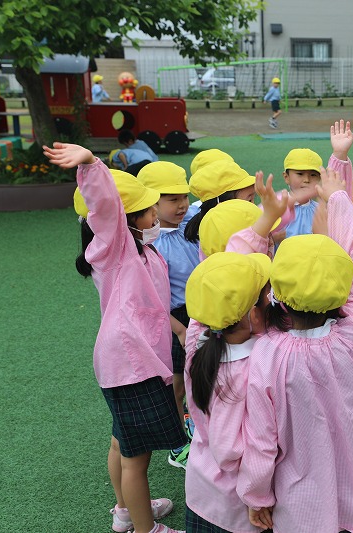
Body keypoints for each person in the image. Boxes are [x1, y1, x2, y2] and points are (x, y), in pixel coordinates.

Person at [45, 142, 184, 533]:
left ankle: (127, 511)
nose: (156, 211)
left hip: (130, 362)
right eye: (149, 206)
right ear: (126, 218)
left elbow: (153, 307)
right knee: (136, 459)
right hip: (131, 365)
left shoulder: (142, 249)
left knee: (122, 442)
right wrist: (91, 164)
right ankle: (146, 528)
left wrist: (178, 328)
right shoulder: (115, 247)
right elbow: (105, 208)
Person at [236, 167, 353, 533]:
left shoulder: (265, 351)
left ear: (277, 292)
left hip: (298, 505)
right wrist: (337, 200)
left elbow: (261, 442)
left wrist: (256, 498)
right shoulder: (352, 334)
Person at [183, 252, 272, 533]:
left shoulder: (199, 341)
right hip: (233, 507)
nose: (272, 301)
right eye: (267, 296)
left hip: (203, 490)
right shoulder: (248, 368)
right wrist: (256, 497)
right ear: (254, 314)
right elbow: (228, 450)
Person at [136, 162, 198, 470]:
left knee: (202, 376)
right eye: (171, 199)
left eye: (184, 196)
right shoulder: (148, 242)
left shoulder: (193, 222)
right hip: (171, 318)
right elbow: (149, 299)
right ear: (151, 203)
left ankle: (200, 429)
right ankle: (178, 445)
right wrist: (178, 329)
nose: (182, 204)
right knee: (175, 383)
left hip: (202, 310)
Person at [276, 120, 353, 243]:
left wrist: (340, 155)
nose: (306, 180)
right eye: (300, 174)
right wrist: (271, 239)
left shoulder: (321, 210)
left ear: (319, 178)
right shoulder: (277, 208)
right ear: (286, 177)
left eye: (313, 175)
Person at [184, 160, 256, 247]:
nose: (254, 206)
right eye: (249, 200)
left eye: (253, 199)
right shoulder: (219, 242)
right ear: (221, 205)